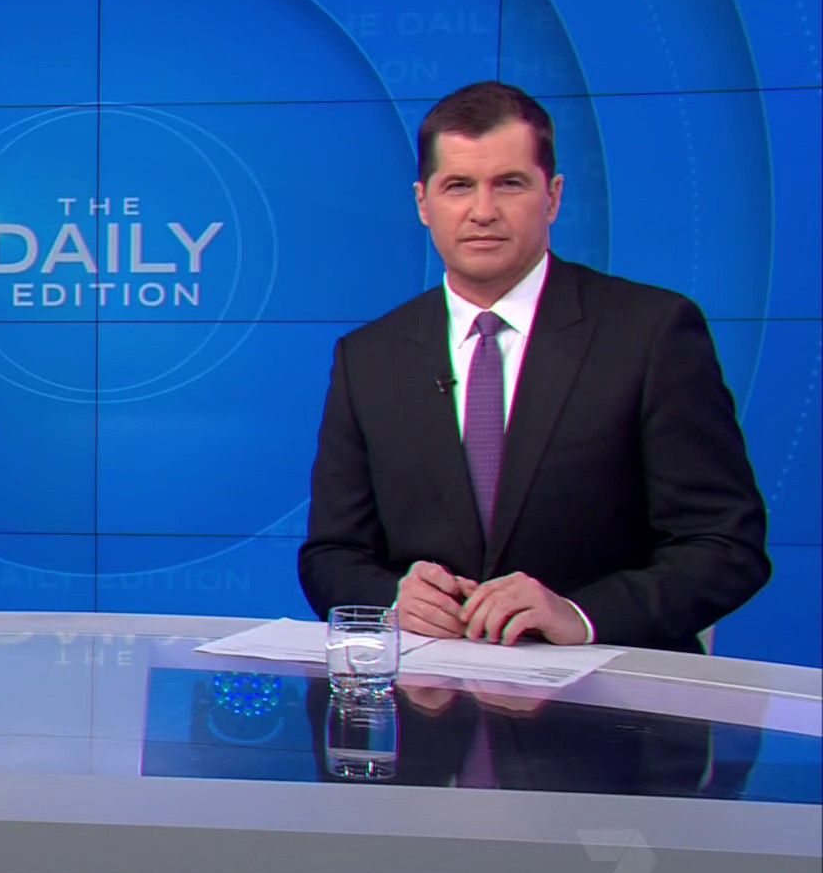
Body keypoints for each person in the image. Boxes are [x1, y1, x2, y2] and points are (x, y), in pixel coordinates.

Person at [298, 81, 769, 653]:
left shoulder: (651, 333)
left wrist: (581, 615)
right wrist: (395, 599)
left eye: (510, 184)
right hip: (427, 695)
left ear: (553, 197)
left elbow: (725, 546)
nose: (483, 212)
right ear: (423, 202)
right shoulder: (369, 358)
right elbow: (331, 555)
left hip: (607, 693)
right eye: (458, 186)